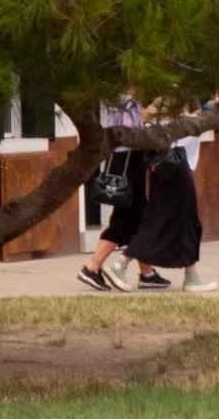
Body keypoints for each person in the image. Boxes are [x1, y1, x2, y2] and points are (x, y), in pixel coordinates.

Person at [123, 128, 216, 292]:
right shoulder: (165, 117)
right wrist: (195, 116)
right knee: (183, 219)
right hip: (173, 161)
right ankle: (121, 262)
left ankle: (190, 274)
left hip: (167, 161)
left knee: (171, 220)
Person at [80, 96, 147, 293]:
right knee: (126, 217)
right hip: (129, 160)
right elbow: (128, 130)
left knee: (141, 215)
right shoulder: (130, 101)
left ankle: (147, 272)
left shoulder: (117, 98)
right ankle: (92, 267)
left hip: (120, 158)